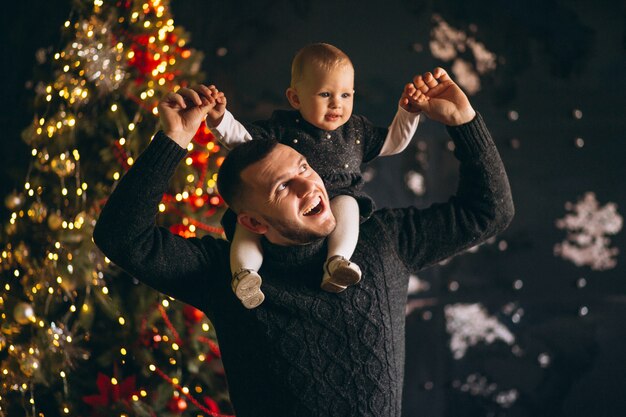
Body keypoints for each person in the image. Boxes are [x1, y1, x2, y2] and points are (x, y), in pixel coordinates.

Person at [93, 67, 514, 417]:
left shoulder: (383, 243)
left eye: (304, 167)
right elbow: (121, 237)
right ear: (253, 221)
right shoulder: (226, 278)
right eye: (282, 188)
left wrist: (464, 121)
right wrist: (173, 140)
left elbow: (489, 212)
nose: (310, 186)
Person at [203, 43, 422, 308]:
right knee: (247, 228)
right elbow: (245, 142)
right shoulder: (284, 128)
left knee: (349, 206)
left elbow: (392, 143)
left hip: (337, 199)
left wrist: (408, 113)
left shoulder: (356, 130)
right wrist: (219, 119)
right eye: (325, 94)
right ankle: (245, 275)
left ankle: (337, 262)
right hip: (284, 210)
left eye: (345, 95)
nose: (336, 104)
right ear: (296, 99)